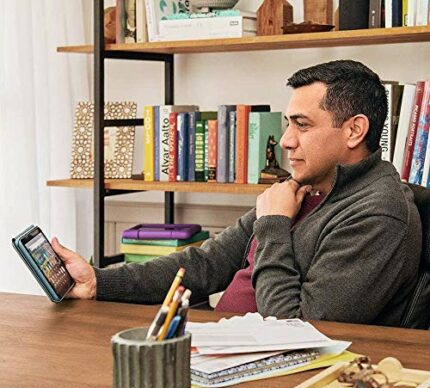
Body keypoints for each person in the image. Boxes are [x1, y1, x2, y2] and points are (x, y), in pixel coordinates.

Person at [52, 60, 422, 326]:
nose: (286, 141)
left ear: (355, 130)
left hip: (273, 370)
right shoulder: (302, 188)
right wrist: (99, 281)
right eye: (288, 124)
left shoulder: (378, 213)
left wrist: (274, 225)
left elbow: (298, 327)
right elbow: (205, 264)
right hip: (220, 344)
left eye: (302, 125)